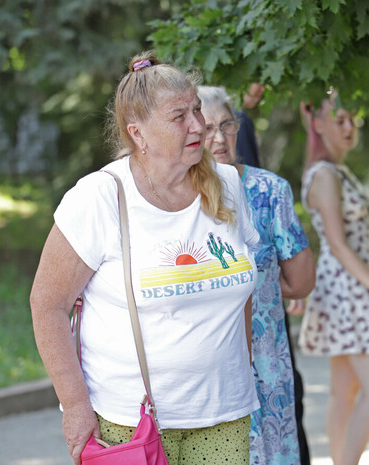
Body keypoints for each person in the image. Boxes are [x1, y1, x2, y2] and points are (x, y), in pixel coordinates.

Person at [30, 52, 260, 465]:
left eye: (196, 110)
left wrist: (240, 371)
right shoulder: (99, 196)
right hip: (129, 422)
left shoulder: (227, 184)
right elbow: (47, 305)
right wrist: (76, 406)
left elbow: (240, 295)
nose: (199, 125)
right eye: (179, 116)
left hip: (225, 415)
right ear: (138, 133)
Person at [288, 90, 369, 465]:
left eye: (351, 120)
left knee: (346, 390)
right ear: (318, 124)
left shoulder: (336, 170)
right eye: (339, 120)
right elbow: (338, 246)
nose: (348, 127)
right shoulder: (324, 175)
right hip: (347, 289)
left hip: (350, 287)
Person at [198, 85, 316, 465]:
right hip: (207, 362)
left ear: (239, 127)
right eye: (208, 128)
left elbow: (302, 281)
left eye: (227, 125)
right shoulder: (181, 197)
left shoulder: (269, 191)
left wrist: (264, 285)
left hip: (264, 359)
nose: (219, 137)